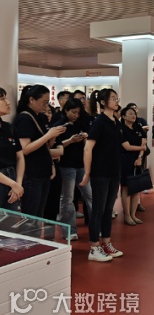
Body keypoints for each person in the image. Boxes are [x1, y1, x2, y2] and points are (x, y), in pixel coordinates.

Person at [80, 89, 124, 262]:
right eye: (113, 98)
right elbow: (88, 148)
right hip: (100, 173)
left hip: (114, 171)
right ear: (103, 102)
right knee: (98, 210)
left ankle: (106, 243)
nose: (116, 101)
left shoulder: (116, 121)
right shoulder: (99, 122)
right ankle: (93, 247)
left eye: (116, 98)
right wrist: (87, 173)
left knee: (108, 209)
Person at [14, 85, 66, 219]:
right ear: (32, 100)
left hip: (43, 171)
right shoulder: (25, 118)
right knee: (31, 215)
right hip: (32, 173)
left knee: (39, 214)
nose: (46, 106)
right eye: (44, 102)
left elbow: (46, 146)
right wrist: (49, 135)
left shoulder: (39, 117)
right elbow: (25, 149)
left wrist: (53, 135)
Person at [57, 99, 91, 240]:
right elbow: (56, 145)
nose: (76, 115)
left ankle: (96, 227)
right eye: (73, 112)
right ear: (66, 110)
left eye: (78, 113)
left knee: (90, 196)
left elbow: (87, 145)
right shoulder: (59, 125)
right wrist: (70, 140)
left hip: (81, 165)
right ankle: (69, 231)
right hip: (66, 166)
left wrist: (84, 138)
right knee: (68, 199)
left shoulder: (80, 124)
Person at [118, 107, 146, 226]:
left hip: (138, 160)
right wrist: (141, 148)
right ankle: (127, 215)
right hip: (125, 161)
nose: (133, 115)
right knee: (126, 188)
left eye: (134, 113)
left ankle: (133, 214)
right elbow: (127, 147)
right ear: (123, 116)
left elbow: (144, 143)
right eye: (130, 113)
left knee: (136, 188)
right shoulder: (121, 129)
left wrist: (140, 157)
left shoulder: (138, 127)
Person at [0, 87, 25, 211]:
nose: (8, 102)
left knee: (10, 218)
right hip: (5, 180)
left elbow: (20, 157)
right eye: (2, 99)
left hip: (12, 176)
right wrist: (13, 184)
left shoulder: (9, 127)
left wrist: (18, 183)